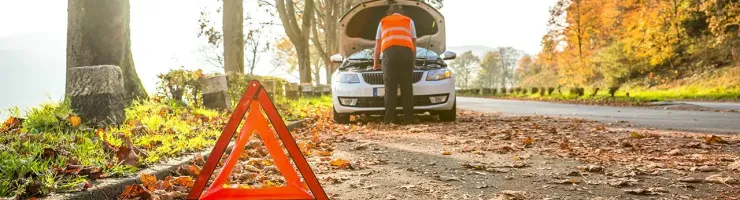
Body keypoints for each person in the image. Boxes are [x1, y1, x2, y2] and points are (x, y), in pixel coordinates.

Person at [373, 3, 418, 124]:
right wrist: (413, 61)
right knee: (407, 87)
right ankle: (409, 118)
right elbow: (413, 43)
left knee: (390, 88)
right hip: (407, 54)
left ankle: (389, 119)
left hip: (389, 54)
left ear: (389, 12)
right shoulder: (409, 21)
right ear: (401, 12)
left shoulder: (383, 22)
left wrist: (375, 62)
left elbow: (378, 44)